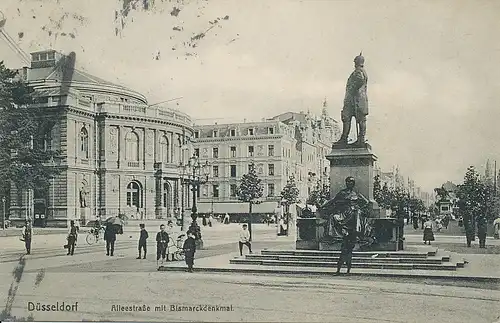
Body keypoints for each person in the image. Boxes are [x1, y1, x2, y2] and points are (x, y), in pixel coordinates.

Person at [334, 53, 369, 146]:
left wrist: (351, 89)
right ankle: (354, 138)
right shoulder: (361, 71)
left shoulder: (359, 71)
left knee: (353, 118)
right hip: (356, 100)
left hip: (355, 99)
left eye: (355, 61)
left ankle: (352, 139)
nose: (354, 63)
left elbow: (359, 80)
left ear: (358, 62)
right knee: (350, 118)